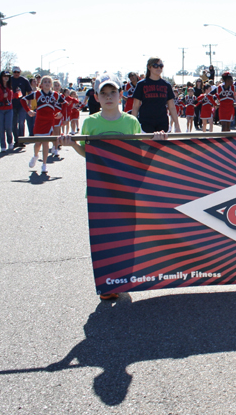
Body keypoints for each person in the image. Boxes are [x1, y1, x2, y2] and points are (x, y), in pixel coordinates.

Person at [58, 74, 166, 300]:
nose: (109, 97)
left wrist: (155, 140)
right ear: (96, 97)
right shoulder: (90, 123)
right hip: (99, 190)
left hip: (127, 188)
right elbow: (88, 153)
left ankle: (123, 278)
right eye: (104, 93)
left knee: (127, 235)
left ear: (121, 95)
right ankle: (107, 284)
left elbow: (140, 153)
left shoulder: (130, 122)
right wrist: (73, 144)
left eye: (113, 93)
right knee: (104, 238)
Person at [23, 76, 64, 174]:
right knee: (37, 143)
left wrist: (61, 113)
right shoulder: (37, 93)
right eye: (45, 81)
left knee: (46, 143)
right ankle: (35, 155)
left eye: (49, 81)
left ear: (51, 84)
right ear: (41, 84)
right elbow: (23, 99)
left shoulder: (55, 95)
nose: (47, 83)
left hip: (49, 122)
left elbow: (65, 104)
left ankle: (44, 164)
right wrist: (28, 111)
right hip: (39, 121)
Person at [131, 57, 181, 133]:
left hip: (162, 123)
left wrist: (177, 125)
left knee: (162, 141)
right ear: (149, 67)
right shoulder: (141, 84)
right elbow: (135, 107)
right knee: (147, 141)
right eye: (155, 65)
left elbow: (172, 107)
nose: (159, 68)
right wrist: (132, 125)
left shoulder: (166, 85)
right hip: (145, 122)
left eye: (161, 66)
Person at [0, 71, 16, 152]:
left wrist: (17, 94)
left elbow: (12, 96)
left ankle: (10, 142)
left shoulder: (9, 86)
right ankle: (3, 146)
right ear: (1, 77)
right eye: (4, 76)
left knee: (8, 127)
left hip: (9, 109)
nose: (6, 78)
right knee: (1, 128)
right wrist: (2, 96)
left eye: (8, 76)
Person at [10, 66, 30, 147]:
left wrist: (29, 103)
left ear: (20, 72)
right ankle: (16, 140)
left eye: (17, 72)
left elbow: (29, 92)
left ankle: (22, 140)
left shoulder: (24, 80)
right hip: (12, 105)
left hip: (22, 105)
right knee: (13, 124)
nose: (16, 73)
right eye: (14, 72)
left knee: (21, 123)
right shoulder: (9, 80)